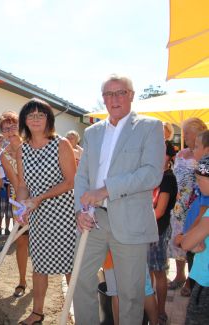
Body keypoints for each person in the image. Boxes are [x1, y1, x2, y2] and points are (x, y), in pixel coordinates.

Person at [73, 74, 164, 325]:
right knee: (80, 278)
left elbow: (152, 173)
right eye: (108, 94)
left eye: (120, 92)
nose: (114, 99)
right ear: (103, 99)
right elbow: (82, 175)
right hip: (93, 218)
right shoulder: (92, 132)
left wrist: (106, 190)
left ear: (132, 95)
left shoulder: (150, 127)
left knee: (130, 292)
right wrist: (80, 210)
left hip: (130, 220)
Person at [16, 98, 77, 324]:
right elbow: (22, 183)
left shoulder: (61, 144)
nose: (35, 119)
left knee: (69, 265)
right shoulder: (23, 149)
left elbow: (71, 181)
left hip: (64, 214)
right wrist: (22, 206)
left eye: (40, 115)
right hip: (39, 216)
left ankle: (78, 311)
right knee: (40, 265)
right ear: (25, 120)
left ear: (48, 119)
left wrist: (39, 198)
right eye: (31, 115)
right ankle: (37, 312)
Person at [168, 117, 207, 296]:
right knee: (179, 238)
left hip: (196, 204)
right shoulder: (183, 153)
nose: (184, 136)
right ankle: (181, 276)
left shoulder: (204, 160)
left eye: (187, 133)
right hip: (180, 204)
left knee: (193, 242)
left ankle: (193, 282)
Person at [0, 110, 29, 298]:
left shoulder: (33, 144)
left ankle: (41, 280)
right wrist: (23, 207)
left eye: (13, 126)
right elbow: (17, 183)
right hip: (20, 199)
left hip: (45, 197)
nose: (10, 131)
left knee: (42, 242)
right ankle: (22, 281)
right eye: (5, 128)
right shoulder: (4, 155)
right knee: (22, 241)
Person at [149, 141, 178, 324]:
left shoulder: (167, 178)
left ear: (168, 157)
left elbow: (159, 212)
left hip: (157, 231)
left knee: (159, 272)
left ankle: (160, 311)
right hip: (147, 230)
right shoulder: (152, 175)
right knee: (147, 273)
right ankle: (150, 308)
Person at [181, 155, 209, 325]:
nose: (197, 183)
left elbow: (186, 243)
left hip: (206, 282)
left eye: (199, 179)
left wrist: (190, 242)